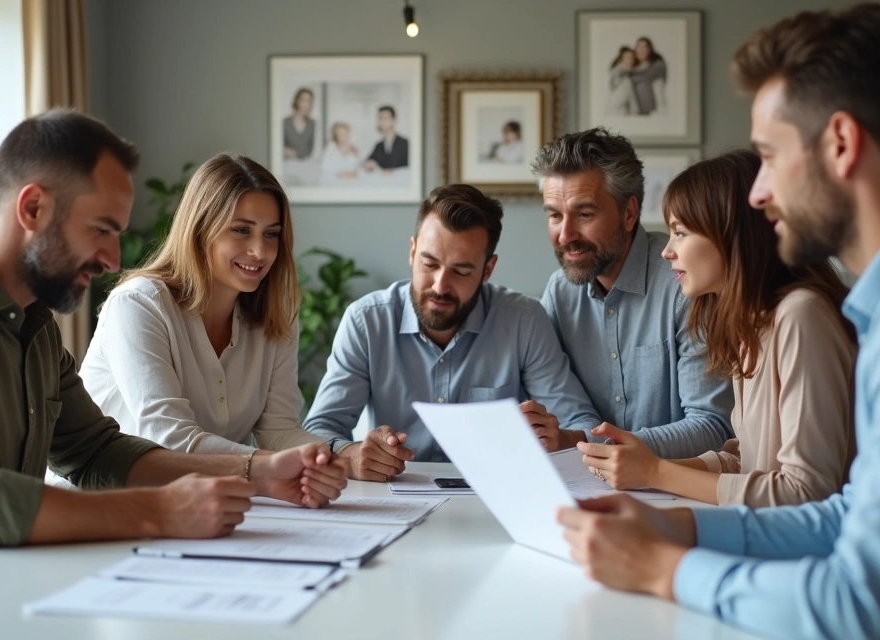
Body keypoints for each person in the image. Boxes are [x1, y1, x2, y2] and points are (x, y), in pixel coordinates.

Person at [0, 111, 345, 627]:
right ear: (32, 209)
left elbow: (97, 451)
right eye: (100, 229)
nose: (111, 258)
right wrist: (160, 511)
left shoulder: (31, 321)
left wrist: (255, 474)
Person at [557, 5, 880, 639]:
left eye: (769, 156)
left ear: (842, 145)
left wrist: (665, 569)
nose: (759, 192)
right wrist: (675, 524)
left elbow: (861, 606)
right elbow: (844, 515)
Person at [577, 149, 857, 508]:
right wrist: (644, 469)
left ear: (733, 236)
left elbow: (805, 491)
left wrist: (655, 474)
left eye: (680, 232)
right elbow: (749, 463)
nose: (668, 250)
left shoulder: (801, 316)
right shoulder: (750, 325)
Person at [303, 184, 601, 478]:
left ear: (487, 270)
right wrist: (350, 455)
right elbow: (319, 428)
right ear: (412, 251)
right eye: (429, 263)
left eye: (461, 271)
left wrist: (559, 437)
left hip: (494, 500)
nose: (440, 286)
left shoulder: (523, 321)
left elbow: (584, 424)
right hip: (394, 497)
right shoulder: (366, 321)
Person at [81, 153, 334, 458]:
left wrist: (341, 456)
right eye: (241, 230)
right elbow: (168, 438)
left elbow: (279, 429)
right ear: (200, 229)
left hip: (197, 499)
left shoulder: (276, 316)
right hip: (98, 499)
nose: (260, 251)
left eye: (271, 234)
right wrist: (268, 467)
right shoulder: (138, 305)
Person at [533, 127, 734, 459]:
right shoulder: (559, 294)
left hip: (681, 490)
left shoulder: (686, 284)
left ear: (628, 213)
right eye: (555, 215)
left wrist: (593, 445)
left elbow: (712, 426)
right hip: (588, 485)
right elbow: (565, 411)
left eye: (584, 214)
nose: (565, 235)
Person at [362, 105, 409, 172]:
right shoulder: (379, 146)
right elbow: (368, 162)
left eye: (386, 118)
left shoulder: (405, 144)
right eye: (380, 118)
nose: (383, 122)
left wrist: (393, 171)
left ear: (393, 120)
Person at [630, 37, 667, 115]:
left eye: (645, 47)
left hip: (651, 111)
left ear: (650, 50)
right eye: (639, 47)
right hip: (633, 110)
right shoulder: (631, 67)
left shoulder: (657, 65)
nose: (642, 50)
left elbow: (659, 88)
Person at [282, 88, 316, 160]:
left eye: (309, 101)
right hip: (287, 165)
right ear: (296, 101)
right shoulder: (285, 122)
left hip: (305, 164)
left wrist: (294, 153)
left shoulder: (312, 124)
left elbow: (310, 150)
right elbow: (279, 148)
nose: (307, 104)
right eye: (303, 100)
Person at [605, 46, 638, 116]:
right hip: (618, 113)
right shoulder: (621, 76)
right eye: (627, 58)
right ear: (620, 60)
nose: (630, 61)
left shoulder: (627, 76)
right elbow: (633, 104)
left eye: (632, 59)